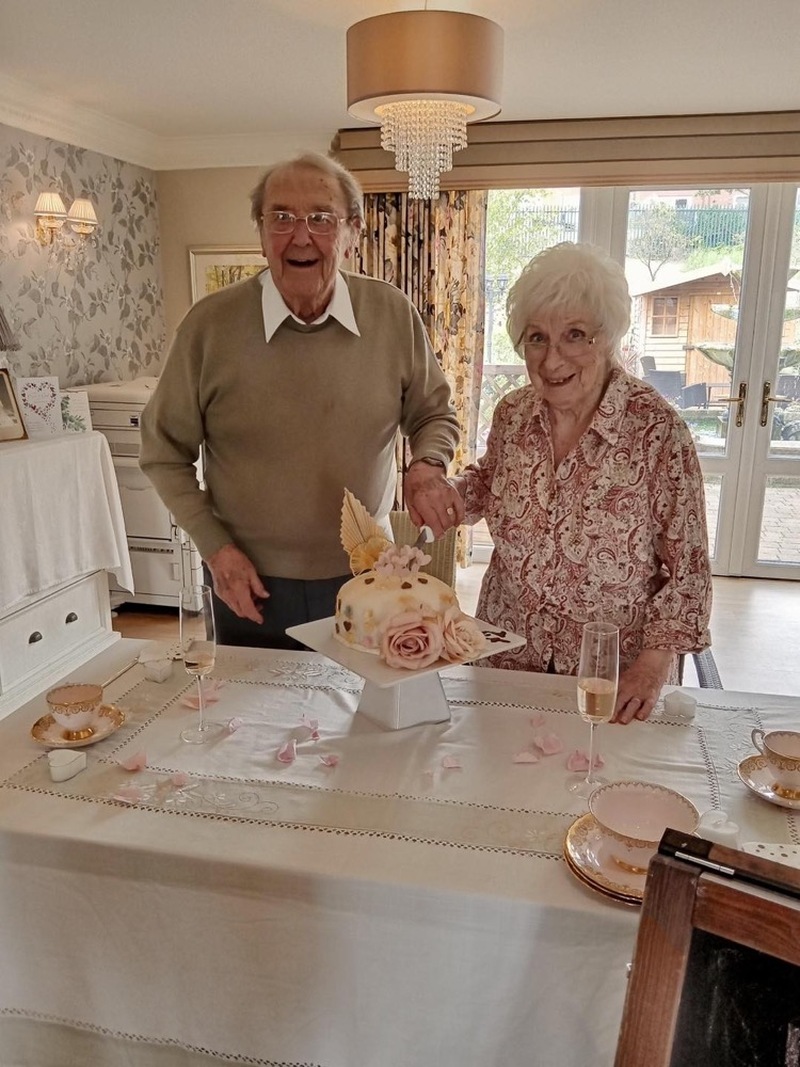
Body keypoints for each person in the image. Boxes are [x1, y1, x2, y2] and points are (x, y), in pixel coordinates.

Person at [140, 151, 462, 648]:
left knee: (360, 718)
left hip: (366, 574)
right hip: (248, 580)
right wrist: (216, 549)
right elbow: (163, 453)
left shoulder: (392, 314)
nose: (300, 235)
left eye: (320, 218)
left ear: (353, 231)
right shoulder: (208, 327)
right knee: (250, 722)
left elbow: (433, 412)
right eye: (281, 217)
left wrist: (426, 465)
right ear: (261, 232)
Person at [451, 242, 712, 724]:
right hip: (508, 656)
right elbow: (491, 481)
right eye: (536, 338)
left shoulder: (657, 431)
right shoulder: (512, 413)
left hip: (610, 678)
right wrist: (449, 495)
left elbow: (689, 570)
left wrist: (654, 665)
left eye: (574, 335)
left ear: (608, 337)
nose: (552, 361)